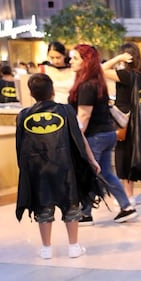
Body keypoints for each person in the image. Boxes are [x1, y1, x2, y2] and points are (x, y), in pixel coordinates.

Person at [15, 73, 101, 259]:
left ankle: (46, 248)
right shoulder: (65, 110)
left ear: (31, 93)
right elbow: (79, 138)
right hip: (64, 169)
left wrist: (24, 173)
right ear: (52, 91)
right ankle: (73, 246)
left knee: (42, 207)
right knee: (70, 205)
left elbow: (20, 148)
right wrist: (92, 160)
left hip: (38, 171)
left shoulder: (23, 115)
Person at [68, 44, 138, 225]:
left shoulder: (86, 86)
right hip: (107, 134)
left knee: (90, 172)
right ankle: (126, 207)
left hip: (95, 137)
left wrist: (74, 138)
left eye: (75, 58)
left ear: (86, 62)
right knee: (105, 172)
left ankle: (86, 213)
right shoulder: (96, 82)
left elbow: (83, 116)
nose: (71, 61)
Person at [102, 42, 141, 204]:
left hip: (125, 123)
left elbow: (101, 69)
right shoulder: (140, 76)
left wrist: (117, 57)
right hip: (139, 124)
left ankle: (128, 195)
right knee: (136, 156)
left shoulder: (126, 75)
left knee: (125, 157)